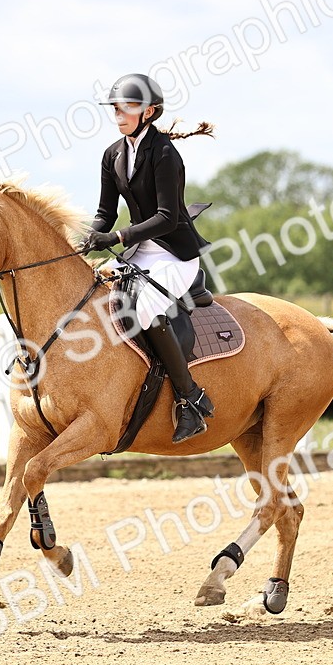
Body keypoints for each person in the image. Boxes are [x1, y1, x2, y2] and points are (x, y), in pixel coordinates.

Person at [80, 73, 216, 443]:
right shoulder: (112, 154)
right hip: (140, 252)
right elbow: (105, 211)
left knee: (143, 310)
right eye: (116, 108)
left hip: (175, 253)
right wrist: (89, 234)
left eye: (128, 107)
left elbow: (167, 217)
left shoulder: (165, 154)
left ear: (149, 112)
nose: (119, 114)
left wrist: (118, 236)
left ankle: (191, 399)